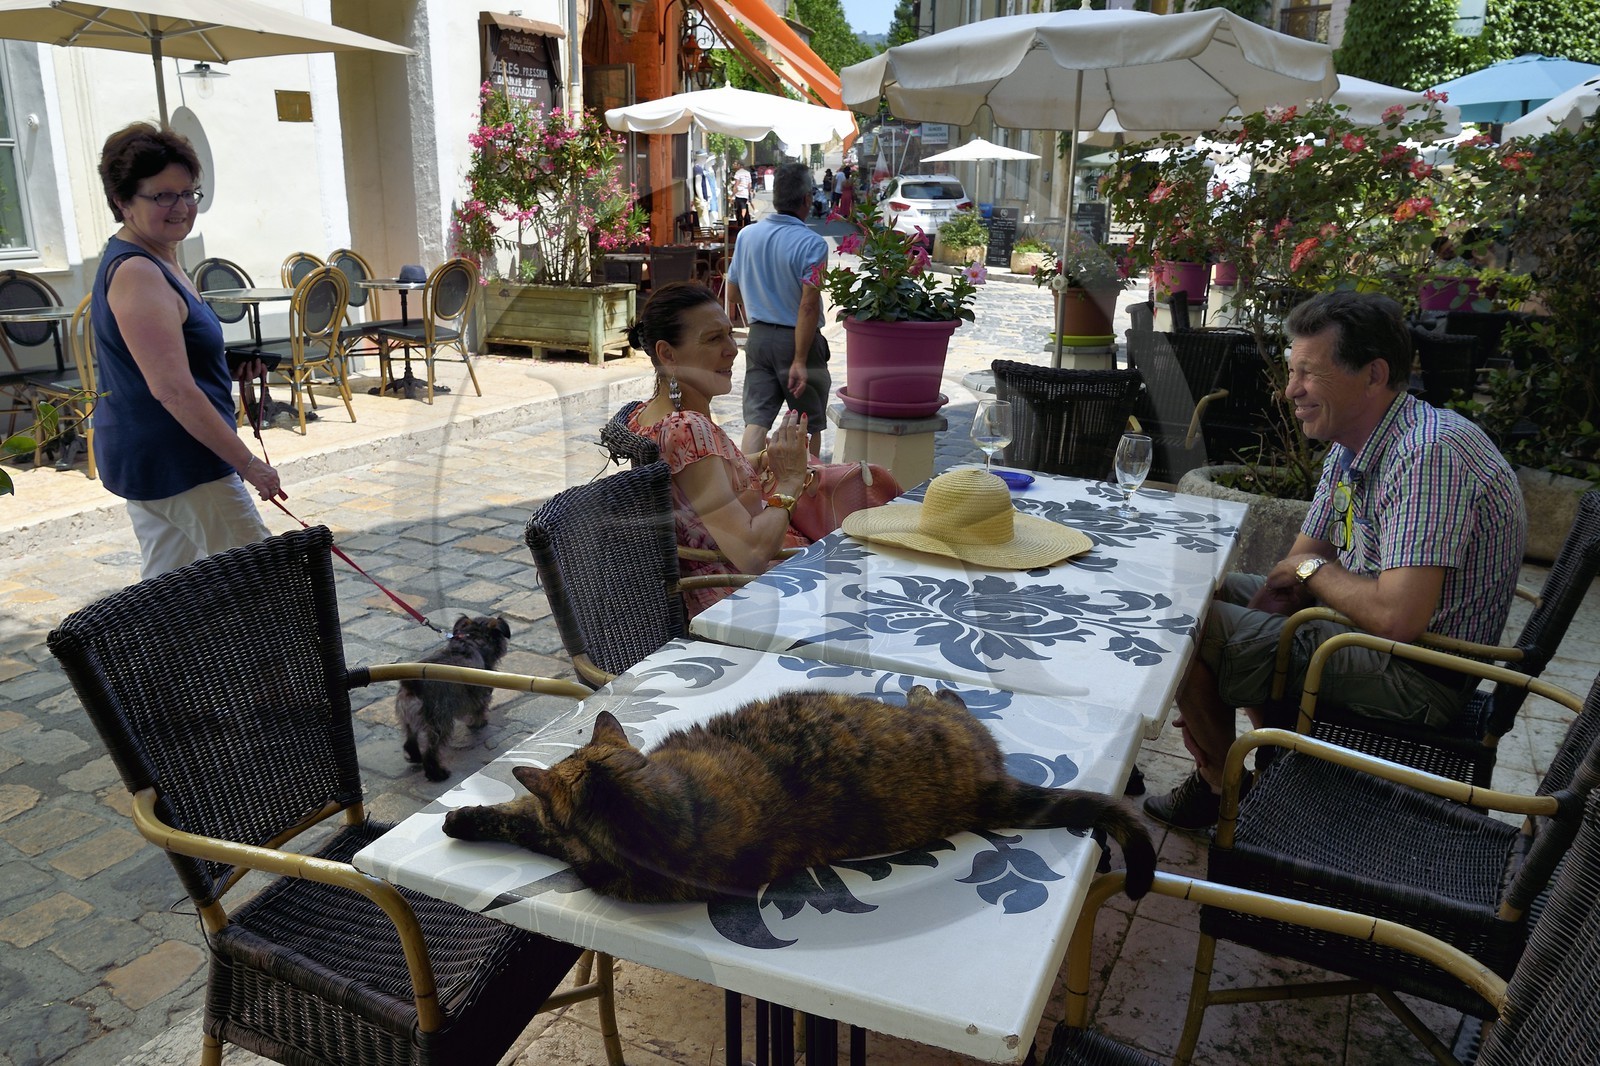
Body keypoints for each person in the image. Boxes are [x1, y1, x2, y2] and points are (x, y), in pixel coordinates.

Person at [1144, 291, 1528, 831]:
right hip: (1367, 636)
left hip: (1417, 674)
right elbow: (1296, 563)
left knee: (1176, 630)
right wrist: (1206, 673)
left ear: (1374, 375)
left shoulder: (1429, 454)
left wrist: (1204, 664)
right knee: (1201, 598)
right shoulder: (1355, 444)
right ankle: (1271, 768)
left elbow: (1396, 617)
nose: (1290, 390)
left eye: (1310, 373)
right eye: (1292, 370)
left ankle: (1220, 788)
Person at [91, 122, 285, 581]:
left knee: (168, 587)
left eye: (188, 193)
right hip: (181, 459)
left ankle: (151, 635)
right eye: (162, 196)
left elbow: (160, 359)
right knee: (262, 582)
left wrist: (224, 367)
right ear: (122, 201)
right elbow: (172, 390)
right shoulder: (138, 271)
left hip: (156, 454)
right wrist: (249, 464)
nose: (180, 207)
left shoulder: (160, 257)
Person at [625, 282, 812, 617]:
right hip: (736, 603)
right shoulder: (687, 429)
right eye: (713, 339)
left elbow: (696, 479)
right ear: (668, 354)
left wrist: (765, 458)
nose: (732, 350)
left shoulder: (645, 415)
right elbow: (751, 554)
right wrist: (790, 481)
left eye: (729, 334)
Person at [725, 161, 831, 458]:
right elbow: (808, 306)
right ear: (807, 199)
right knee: (807, 423)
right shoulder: (812, 244)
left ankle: (748, 479)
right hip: (798, 340)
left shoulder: (747, 235)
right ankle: (807, 482)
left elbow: (732, 293)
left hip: (758, 338)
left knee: (756, 421)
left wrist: (764, 300)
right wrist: (799, 359)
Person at [731, 162, 753, 226]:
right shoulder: (747, 173)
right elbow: (749, 185)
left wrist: (732, 195)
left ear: (739, 165)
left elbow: (736, 185)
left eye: (736, 165)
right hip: (745, 192)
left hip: (739, 192)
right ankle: (745, 221)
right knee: (744, 206)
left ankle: (741, 220)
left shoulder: (738, 173)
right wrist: (748, 193)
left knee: (739, 208)